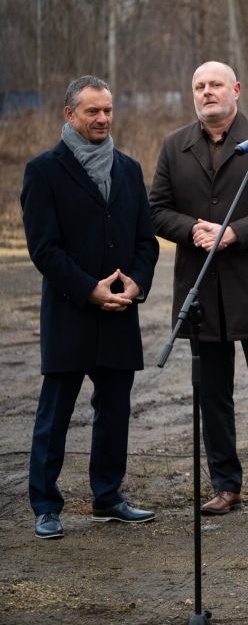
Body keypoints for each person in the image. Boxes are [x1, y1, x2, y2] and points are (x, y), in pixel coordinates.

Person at [149, 61, 248, 521]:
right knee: (211, 392)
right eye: (198, 86)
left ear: (235, 89)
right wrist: (193, 227)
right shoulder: (175, 145)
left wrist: (234, 232)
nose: (206, 92)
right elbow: (157, 210)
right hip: (201, 290)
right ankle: (225, 485)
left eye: (215, 84)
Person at [21, 75, 160, 539]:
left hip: (121, 310)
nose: (102, 119)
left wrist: (136, 284)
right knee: (55, 411)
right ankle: (45, 504)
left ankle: (108, 497)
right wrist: (89, 290)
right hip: (71, 312)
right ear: (69, 115)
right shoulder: (44, 170)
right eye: (92, 112)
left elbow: (146, 239)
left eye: (107, 111)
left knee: (115, 409)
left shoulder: (129, 168)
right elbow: (44, 249)